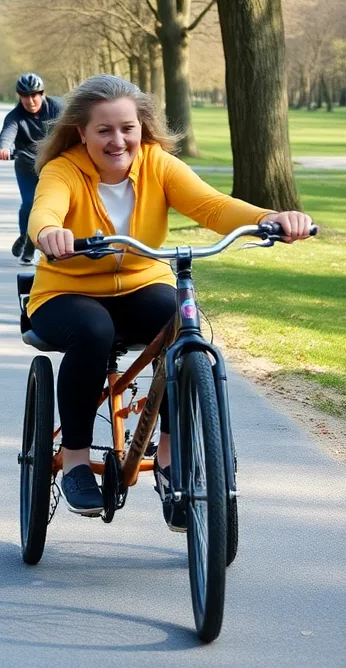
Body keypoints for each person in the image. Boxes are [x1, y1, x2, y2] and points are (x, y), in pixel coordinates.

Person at [26, 74, 314, 523]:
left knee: (182, 320)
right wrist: (49, 232)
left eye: (128, 127)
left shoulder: (158, 164)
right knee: (93, 330)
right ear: (81, 132)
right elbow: (45, 208)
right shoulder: (62, 169)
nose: (118, 140)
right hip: (68, 289)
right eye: (104, 130)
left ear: (142, 127)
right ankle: (77, 461)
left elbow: (212, 206)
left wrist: (270, 218)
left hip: (142, 282)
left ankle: (169, 456)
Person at [0, 72, 63, 265]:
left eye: (34, 95)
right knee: (29, 204)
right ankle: (26, 239)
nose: (30, 100)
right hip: (26, 165)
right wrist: (3, 148)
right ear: (19, 97)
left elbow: (73, 126)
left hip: (54, 166)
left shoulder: (57, 108)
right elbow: (7, 134)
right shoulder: (15, 116)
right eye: (25, 96)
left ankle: (39, 241)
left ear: (42, 94)